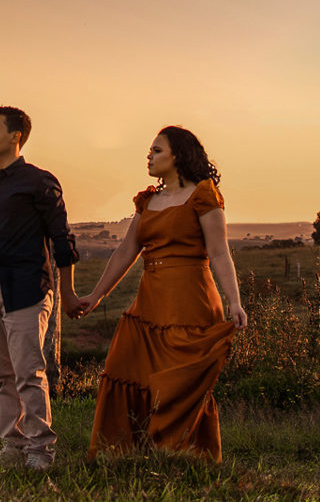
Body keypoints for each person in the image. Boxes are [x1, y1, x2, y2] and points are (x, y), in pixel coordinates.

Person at [70, 124, 247, 462]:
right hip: (150, 301)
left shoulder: (203, 195)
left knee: (179, 381)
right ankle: (122, 454)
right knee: (125, 368)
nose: (149, 156)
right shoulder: (148, 200)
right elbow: (126, 250)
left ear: (178, 155)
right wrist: (97, 295)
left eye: (157, 150)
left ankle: (181, 456)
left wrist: (234, 300)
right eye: (150, 151)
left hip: (190, 299)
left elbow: (220, 252)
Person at [0, 105, 82, 471]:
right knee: (3, 377)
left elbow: (62, 240)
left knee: (29, 372)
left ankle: (40, 450)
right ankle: (12, 447)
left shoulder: (39, 182)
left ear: (15, 136)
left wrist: (68, 294)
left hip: (29, 287)